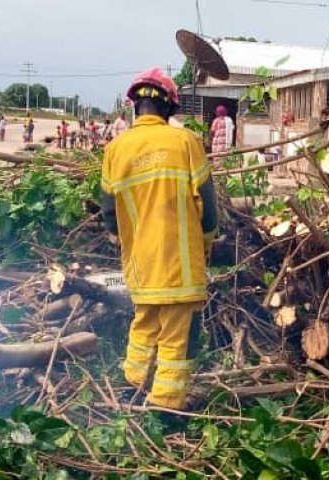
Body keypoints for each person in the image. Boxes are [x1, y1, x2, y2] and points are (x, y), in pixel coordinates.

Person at [101, 67, 218, 412]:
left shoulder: (115, 149)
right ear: (169, 107)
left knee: (144, 324)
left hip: (141, 262)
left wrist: (122, 239)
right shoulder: (185, 142)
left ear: (135, 105)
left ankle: (131, 386)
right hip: (179, 261)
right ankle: (165, 406)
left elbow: (109, 212)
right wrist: (207, 242)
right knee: (175, 339)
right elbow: (208, 207)